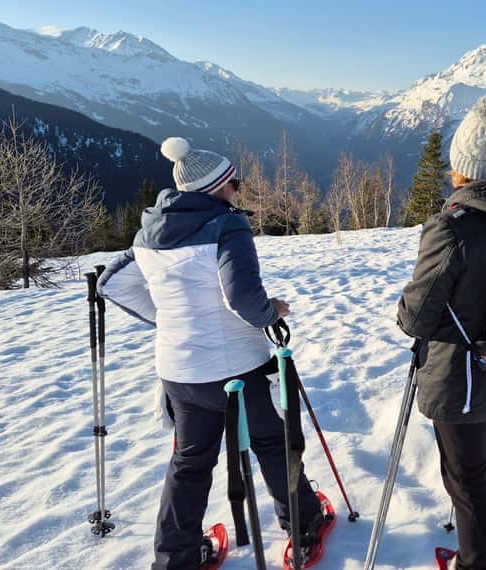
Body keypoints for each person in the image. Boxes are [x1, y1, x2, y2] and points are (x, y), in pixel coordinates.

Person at [98, 137, 327, 570]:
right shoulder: (227, 226)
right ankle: (304, 525)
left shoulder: (149, 232)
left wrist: (169, 319)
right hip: (237, 368)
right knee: (272, 445)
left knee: (190, 462)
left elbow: (111, 283)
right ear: (218, 187)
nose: (237, 189)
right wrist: (269, 312)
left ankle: (176, 558)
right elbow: (241, 296)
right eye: (234, 182)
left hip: (179, 372)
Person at [398, 94, 486, 570]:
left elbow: (417, 316)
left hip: (460, 375)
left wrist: (406, 310)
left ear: (461, 167)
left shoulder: (454, 226)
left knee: (467, 478)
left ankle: (475, 563)